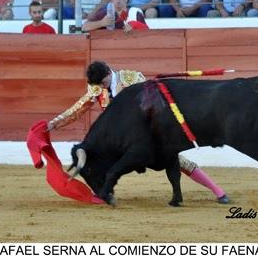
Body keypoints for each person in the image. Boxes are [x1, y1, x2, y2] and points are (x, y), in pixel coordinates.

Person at [48, 61, 229, 204]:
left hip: (145, 131)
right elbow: (79, 108)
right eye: (99, 86)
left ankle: (218, 191)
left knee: (177, 160)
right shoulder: (97, 86)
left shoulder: (132, 78)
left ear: (109, 74)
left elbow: (153, 103)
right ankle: (105, 192)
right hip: (119, 137)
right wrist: (55, 123)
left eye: (103, 83)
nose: (102, 89)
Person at [82, 0, 148, 32]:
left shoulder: (135, 13)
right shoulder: (104, 12)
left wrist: (134, 25)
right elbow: (84, 27)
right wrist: (101, 23)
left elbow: (147, 32)